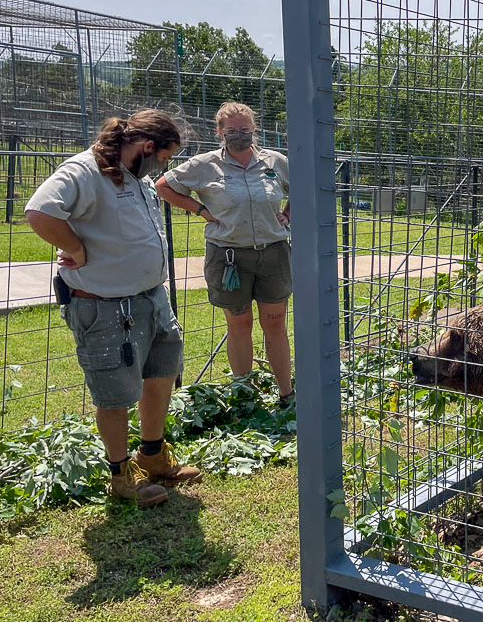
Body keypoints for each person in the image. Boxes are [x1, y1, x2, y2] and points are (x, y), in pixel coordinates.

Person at [25, 109, 202, 508]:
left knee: (162, 372)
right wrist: (75, 248)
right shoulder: (84, 171)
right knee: (115, 393)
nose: (163, 167)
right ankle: (121, 477)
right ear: (147, 146)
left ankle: (152, 456)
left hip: (151, 298)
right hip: (105, 306)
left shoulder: (134, 175)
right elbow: (39, 211)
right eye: (164, 157)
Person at [155, 102, 294, 404]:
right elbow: (163, 186)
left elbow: (303, 186)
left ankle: (287, 393)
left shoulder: (275, 161)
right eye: (231, 130)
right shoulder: (204, 164)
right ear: (219, 131)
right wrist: (200, 209)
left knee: (275, 323)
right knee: (239, 324)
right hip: (228, 257)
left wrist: (288, 213)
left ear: (254, 128)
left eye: (244, 129)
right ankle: (245, 396)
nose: (238, 135)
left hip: (273, 254)